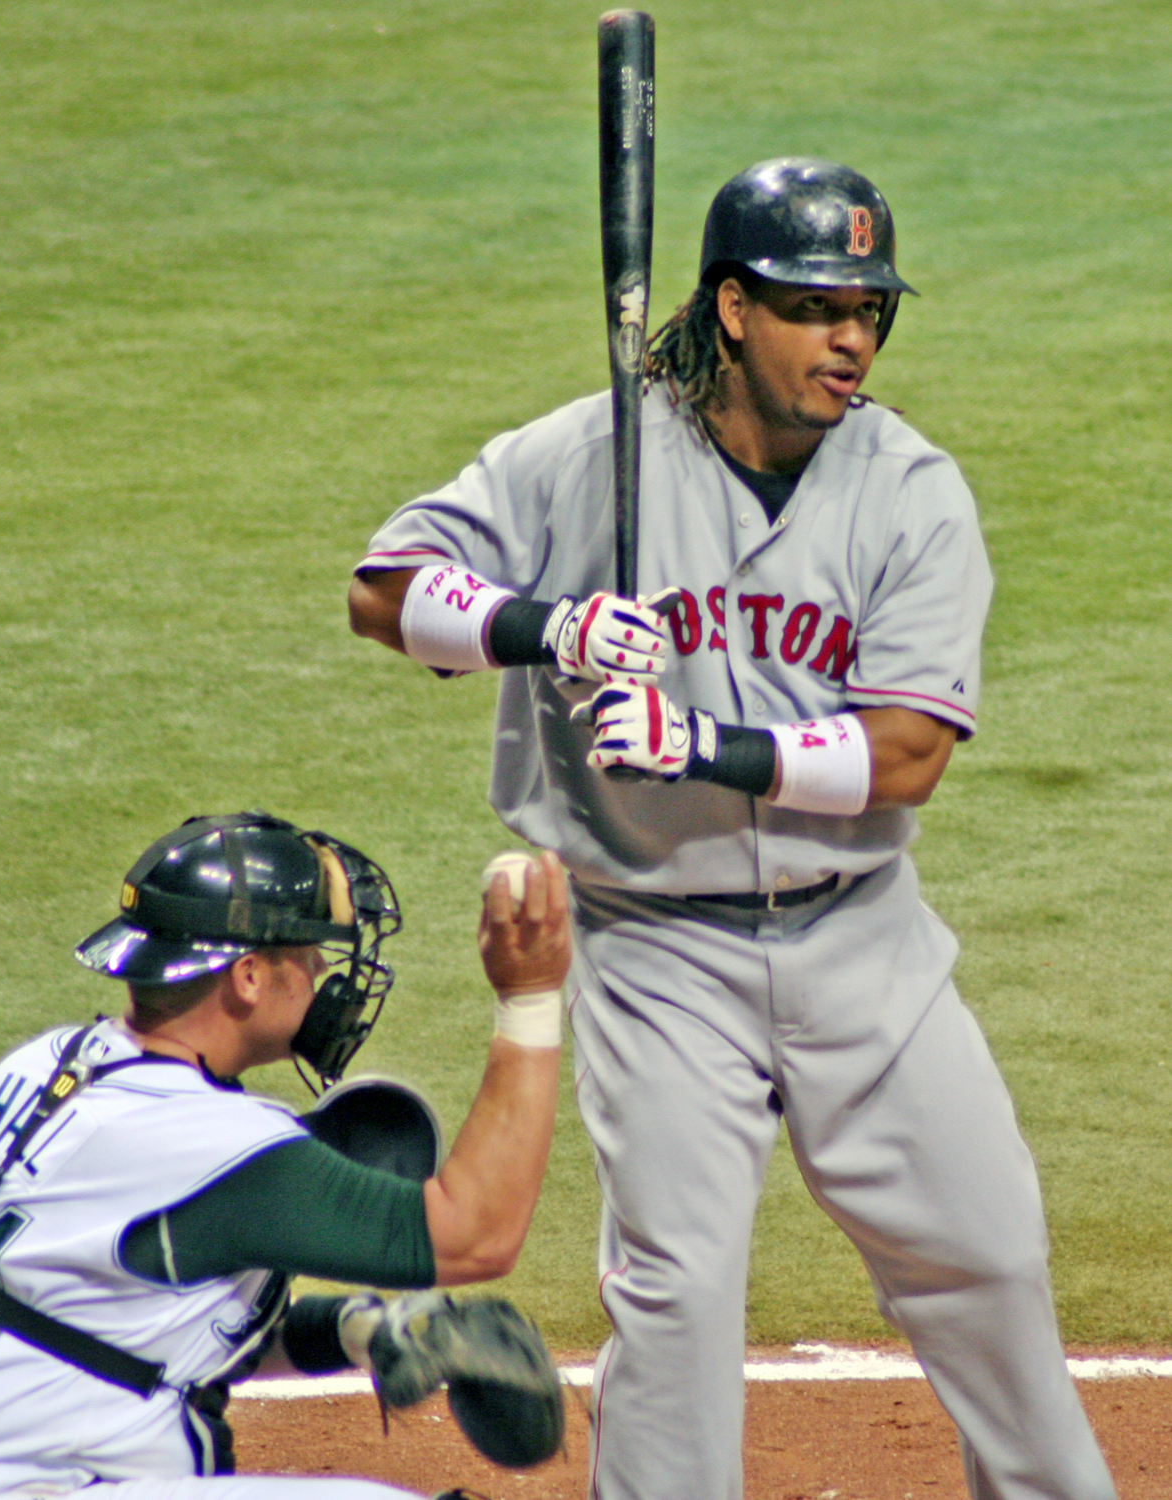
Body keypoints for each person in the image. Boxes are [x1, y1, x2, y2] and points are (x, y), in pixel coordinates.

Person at [346, 159, 1116, 1500]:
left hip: (860, 944)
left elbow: (906, 755)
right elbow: (381, 589)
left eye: (870, 309)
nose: (851, 340)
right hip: (654, 952)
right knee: (676, 1293)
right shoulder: (586, 457)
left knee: (986, 1256)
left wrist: (706, 746)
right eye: (818, 307)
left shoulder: (910, 490)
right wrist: (544, 625)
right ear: (731, 308)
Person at [0, 812, 571, 1500]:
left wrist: (361, 1331)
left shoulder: (37, 1068)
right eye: (306, 953)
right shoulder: (212, 1141)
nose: (321, 971)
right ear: (248, 977)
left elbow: (133, 1323)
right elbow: (475, 1233)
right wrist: (530, 994)